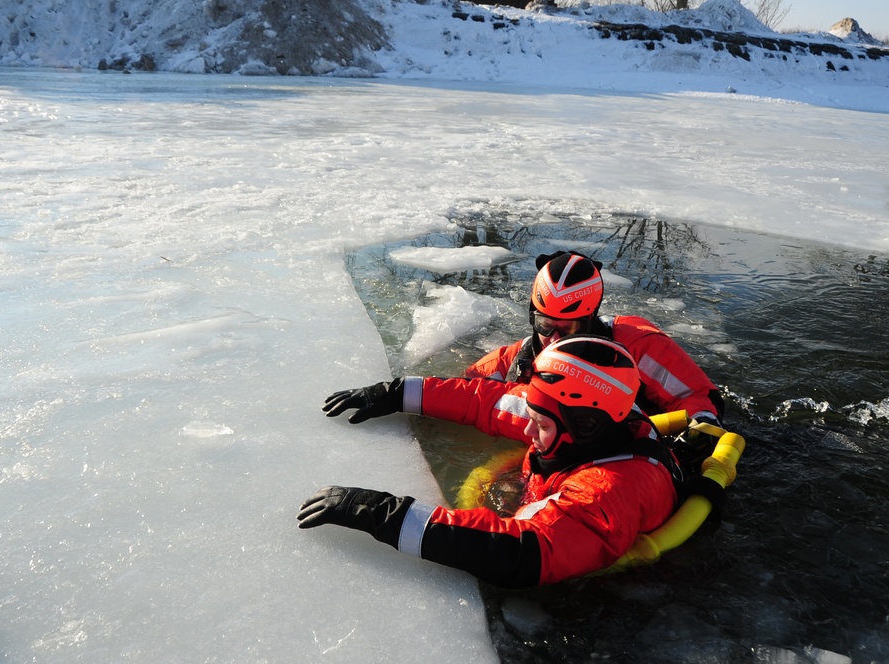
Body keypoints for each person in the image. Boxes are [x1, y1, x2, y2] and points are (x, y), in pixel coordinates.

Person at [299, 336, 680, 588]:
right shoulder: (588, 421)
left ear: (586, 425)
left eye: (541, 425)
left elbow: (521, 550)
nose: (527, 432)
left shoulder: (611, 490)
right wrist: (396, 393)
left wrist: (386, 514)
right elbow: (487, 401)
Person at [463, 251, 725, 429]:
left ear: (589, 321)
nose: (553, 340)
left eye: (568, 329)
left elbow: (697, 396)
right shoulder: (521, 356)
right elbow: (466, 387)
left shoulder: (639, 345)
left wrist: (697, 428)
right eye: (544, 325)